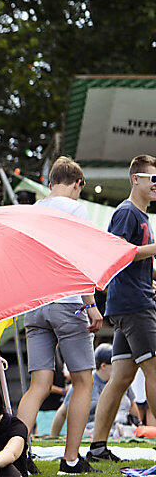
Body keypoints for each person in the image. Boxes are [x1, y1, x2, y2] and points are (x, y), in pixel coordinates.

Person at [8, 156, 100, 473]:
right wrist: (90, 304)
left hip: (36, 304)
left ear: (49, 183)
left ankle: (18, 455)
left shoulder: (34, 211)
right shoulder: (76, 209)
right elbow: (80, 259)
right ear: (76, 184)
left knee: (39, 385)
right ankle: (71, 460)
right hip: (68, 302)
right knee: (84, 381)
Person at [88, 154, 156, 463]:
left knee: (120, 379)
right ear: (136, 179)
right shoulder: (127, 212)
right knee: (154, 371)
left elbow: (134, 259)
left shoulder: (141, 216)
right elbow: (115, 255)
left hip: (131, 303)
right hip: (134, 305)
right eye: (153, 179)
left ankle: (98, 448)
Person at [53, 344, 136, 435]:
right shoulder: (85, 382)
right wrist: (54, 436)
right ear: (103, 366)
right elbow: (62, 412)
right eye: (115, 363)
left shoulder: (121, 380)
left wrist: (138, 426)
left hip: (123, 428)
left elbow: (132, 405)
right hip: (93, 430)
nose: (119, 367)